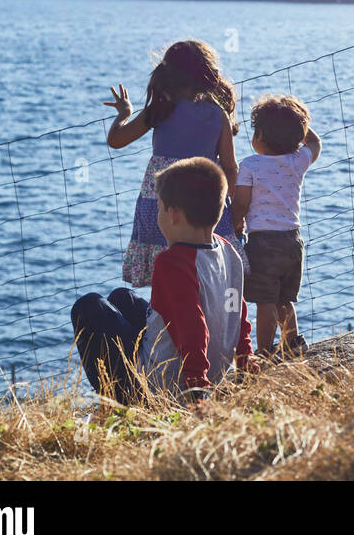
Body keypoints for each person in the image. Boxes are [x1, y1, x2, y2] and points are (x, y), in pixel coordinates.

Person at [71, 157, 255, 403]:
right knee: (121, 297)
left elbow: (192, 327)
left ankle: (123, 403)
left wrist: (196, 390)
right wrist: (245, 364)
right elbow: (237, 315)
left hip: (165, 386)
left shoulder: (173, 263)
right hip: (214, 371)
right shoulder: (229, 252)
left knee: (88, 306)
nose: (158, 217)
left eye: (159, 209)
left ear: (174, 215)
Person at [105, 39, 243, 287]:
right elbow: (231, 168)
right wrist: (226, 206)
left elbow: (116, 141)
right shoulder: (216, 114)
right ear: (206, 76)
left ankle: (165, 320)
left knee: (166, 275)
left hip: (162, 208)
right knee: (206, 275)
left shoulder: (159, 111)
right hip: (205, 205)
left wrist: (124, 114)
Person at [233, 94, 321, 357]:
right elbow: (315, 142)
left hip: (263, 244)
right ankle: (292, 344)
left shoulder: (249, 165)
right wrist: (299, 127)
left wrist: (234, 224)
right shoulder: (298, 161)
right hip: (293, 242)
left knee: (265, 302)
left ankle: (263, 352)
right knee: (285, 300)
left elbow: (241, 205)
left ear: (259, 135)